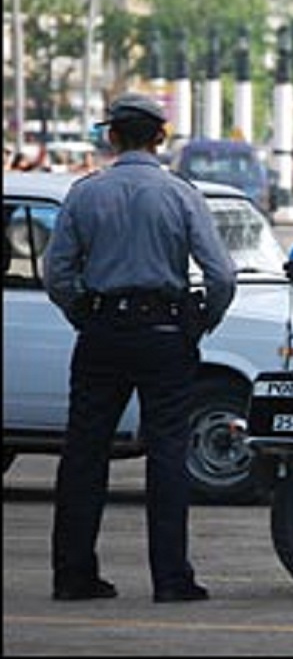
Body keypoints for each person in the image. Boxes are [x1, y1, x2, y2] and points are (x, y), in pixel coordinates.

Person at [42, 93, 237, 604]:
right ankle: (171, 579)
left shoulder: (85, 195)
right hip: (165, 334)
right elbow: (221, 275)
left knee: (84, 454)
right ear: (160, 138)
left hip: (103, 333)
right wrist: (199, 323)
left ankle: (73, 575)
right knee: (168, 455)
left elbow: (57, 273)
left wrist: (83, 312)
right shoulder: (181, 194)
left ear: (112, 137)